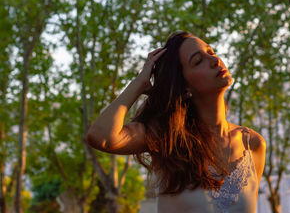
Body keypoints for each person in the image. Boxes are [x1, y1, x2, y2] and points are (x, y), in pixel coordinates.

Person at [86, 31, 266, 213]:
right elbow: (100, 136)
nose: (215, 60)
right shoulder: (166, 138)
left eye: (211, 52)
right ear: (185, 86)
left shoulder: (253, 144)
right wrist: (139, 83)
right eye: (198, 61)